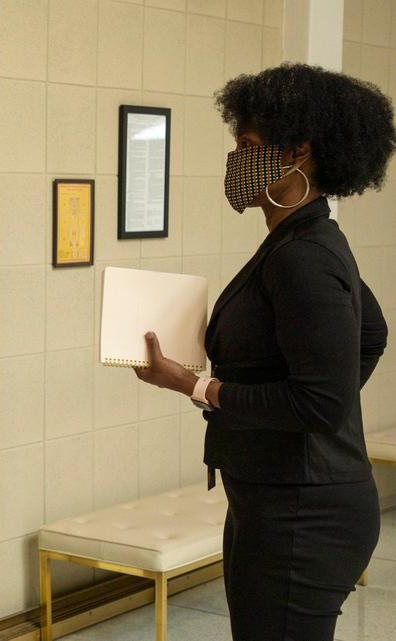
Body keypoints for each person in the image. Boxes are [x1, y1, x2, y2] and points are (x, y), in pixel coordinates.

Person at [135, 64, 391, 641]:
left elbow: (320, 403)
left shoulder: (303, 256)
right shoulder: (304, 239)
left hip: (302, 515)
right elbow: (371, 335)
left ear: (298, 152)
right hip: (284, 499)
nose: (234, 161)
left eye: (247, 146)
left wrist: (196, 386)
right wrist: (308, 402)